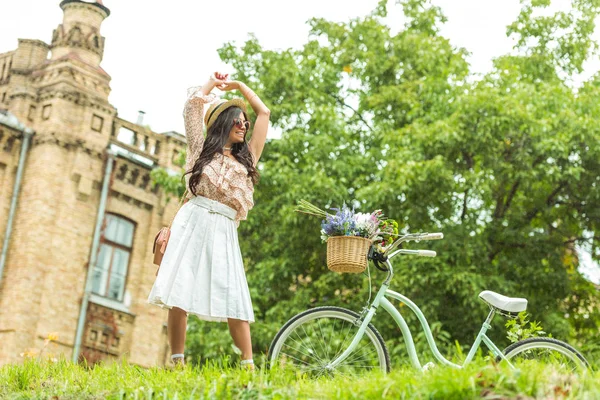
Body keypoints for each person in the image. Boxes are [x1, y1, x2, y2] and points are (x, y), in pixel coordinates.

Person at [147, 72, 270, 369]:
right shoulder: (201, 149)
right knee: (180, 289)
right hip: (194, 219)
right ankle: (177, 362)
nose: (243, 125)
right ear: (224, 124)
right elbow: (192, 107)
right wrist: (212, 86)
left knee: (234, 293)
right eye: (238, 121)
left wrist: (240, 87)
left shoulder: (248, 159)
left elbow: (264, 112)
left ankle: (248, 365)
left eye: (245, 122)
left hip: (225, 227)